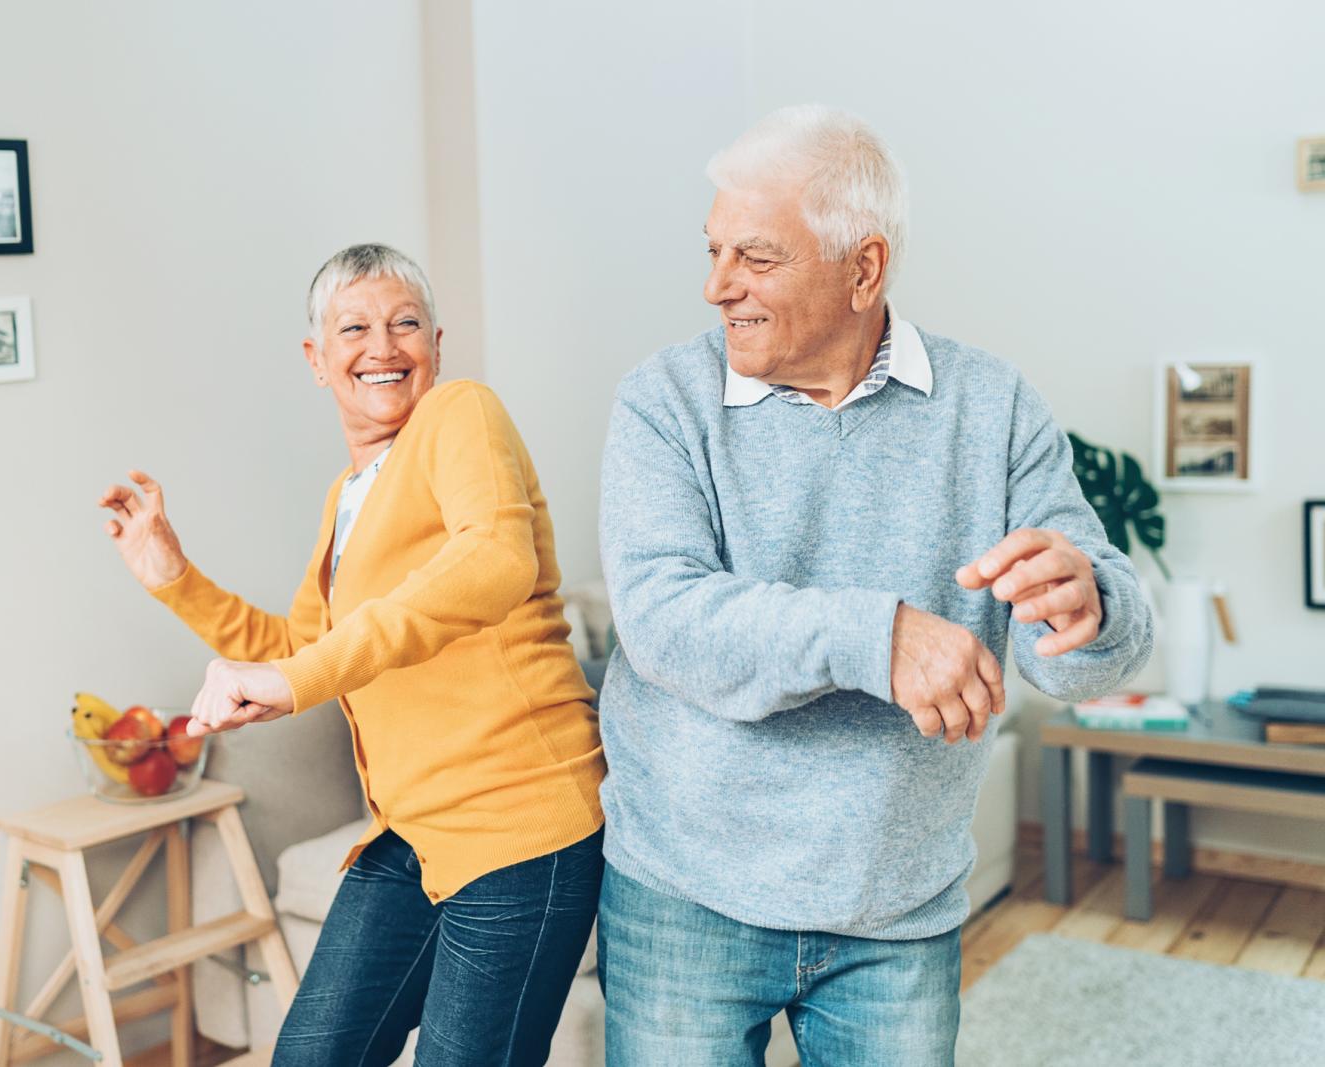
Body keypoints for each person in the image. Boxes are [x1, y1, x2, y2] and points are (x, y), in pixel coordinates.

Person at [595, 105, 1154, 1065]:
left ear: (865, 268)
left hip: (897, 910)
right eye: (716, 250)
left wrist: (1087, 608)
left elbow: (1076, 654)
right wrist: (879, 635)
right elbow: (664, 620)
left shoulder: (995, 408)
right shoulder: (665, 401)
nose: (716, 285)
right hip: (685, 894)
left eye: (755, 257)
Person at [99, 244, 605, 1067]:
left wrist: (296, 678)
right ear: (317, 359)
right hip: (411, 832)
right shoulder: (348, 500)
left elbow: (496, 559)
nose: (384, 346)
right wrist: (175, 578)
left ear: (437, 346)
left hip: (521, 826)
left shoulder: (460, 413)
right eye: (355, 327)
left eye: (406, 323)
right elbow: (303, 649)